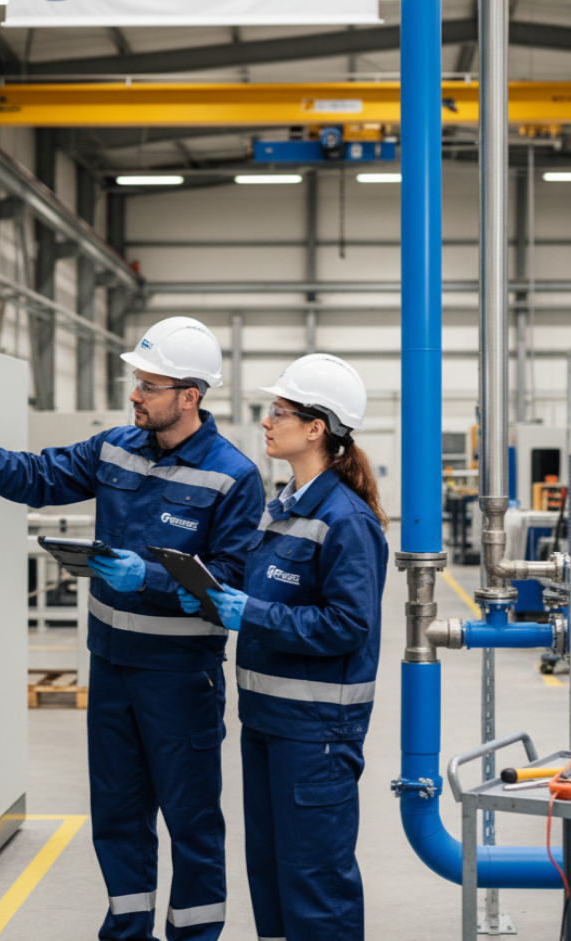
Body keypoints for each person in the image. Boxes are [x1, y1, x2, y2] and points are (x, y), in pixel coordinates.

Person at [0, 316, 265, 941]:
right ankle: (127, 930)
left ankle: (193, 936)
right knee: (117, 814)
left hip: (180, 680)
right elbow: (40, 475)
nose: (135, 393)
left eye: (149, 384)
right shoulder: (113, 447)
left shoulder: (232, 476)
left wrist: (152, 580)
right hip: (110, 667)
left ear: (189, 395)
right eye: (136, 381)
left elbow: (232, 586)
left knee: (190, 822)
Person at [177, 353, 387, 941]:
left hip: (317, 733)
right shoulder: (284, 507)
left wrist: (255, 614)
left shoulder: (347, 521)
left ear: (316, 427)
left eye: (279, 411)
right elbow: (262, 585)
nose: (267, 422)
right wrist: (215, 596)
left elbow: (348, 626)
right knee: (270, 876)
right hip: (267, 722)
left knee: (315, 883)